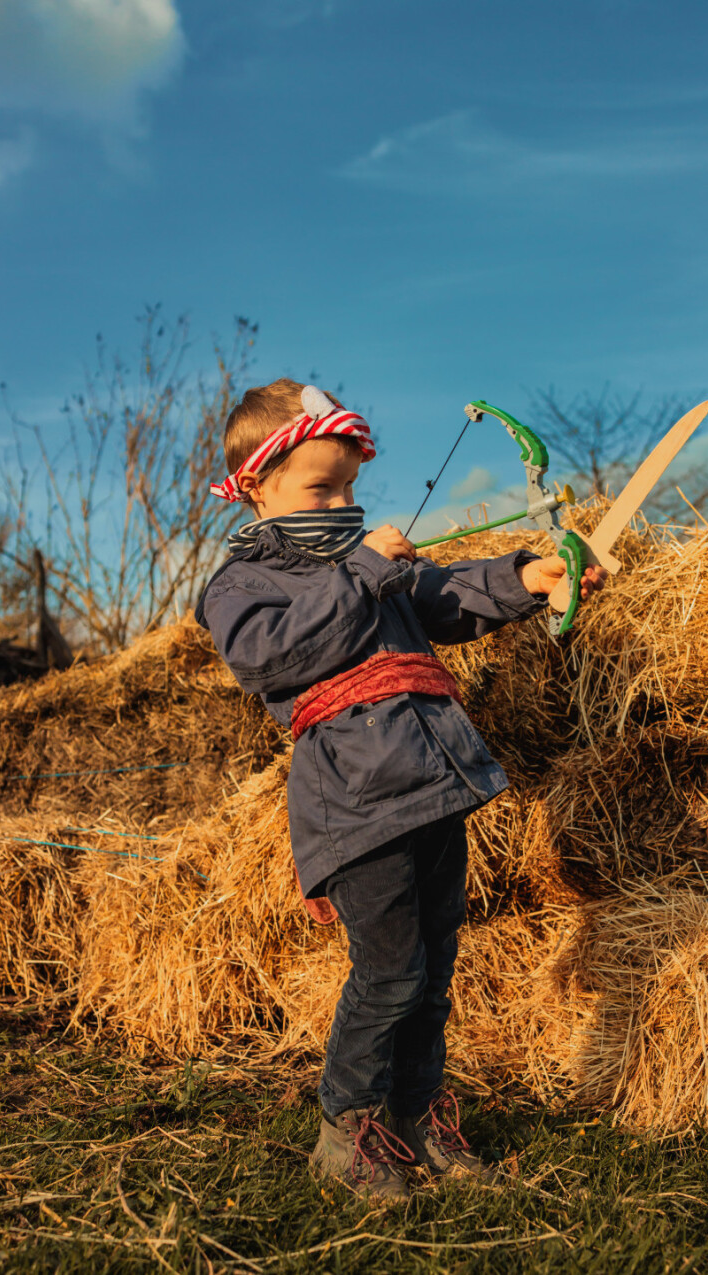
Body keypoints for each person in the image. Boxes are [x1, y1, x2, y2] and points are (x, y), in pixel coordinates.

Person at [196, 379, 607, 1202]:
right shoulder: (244, 584)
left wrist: (533, 577)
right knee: (388, 972)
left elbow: (446, 594)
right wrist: (366, 571)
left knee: (435, 966)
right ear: (255, 487)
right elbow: (272, 657)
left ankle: (420, 1114)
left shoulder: (368, 564)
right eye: (322, 487)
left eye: (350, 483)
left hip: (431, 785)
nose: (344, 501)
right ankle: (349, 1127)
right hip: (355, 805)